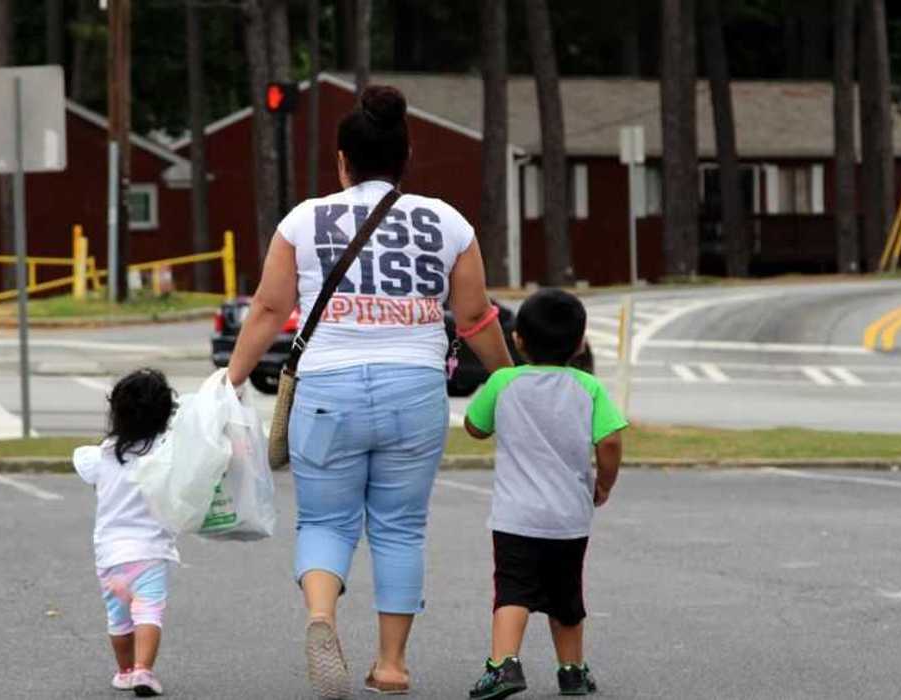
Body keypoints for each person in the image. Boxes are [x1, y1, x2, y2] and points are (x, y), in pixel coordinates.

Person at [226, 85, 513, 699]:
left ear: (341, 160)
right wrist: (510, 378)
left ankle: (322, 618)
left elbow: (271, 307)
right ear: (406, 157)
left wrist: (230, 379)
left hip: (328, 388)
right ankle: (392, 664)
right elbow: (474, 318)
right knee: (401, 528)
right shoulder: (448, 222)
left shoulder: (303, 220)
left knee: (326, 520)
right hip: (415, 389)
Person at [462, 289, 627, 699]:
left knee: (513, 591)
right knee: (566, 596)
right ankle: (571, 670)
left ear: (518, 339)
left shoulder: (504, 382)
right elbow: (609, 441)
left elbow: (474, 426)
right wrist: (604, 482)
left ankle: (503, 665)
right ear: (578, 342)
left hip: (516, 516)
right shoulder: (589, 388)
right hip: (570, 518)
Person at [73, 369, 179, 697]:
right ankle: (145, 670)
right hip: (150, 552)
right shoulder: (166, 451)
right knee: (149, 613)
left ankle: (124, 671)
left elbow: (82, 463)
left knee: (119, 620)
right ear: (165, 414)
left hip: (110, 557)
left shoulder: (102, 454)